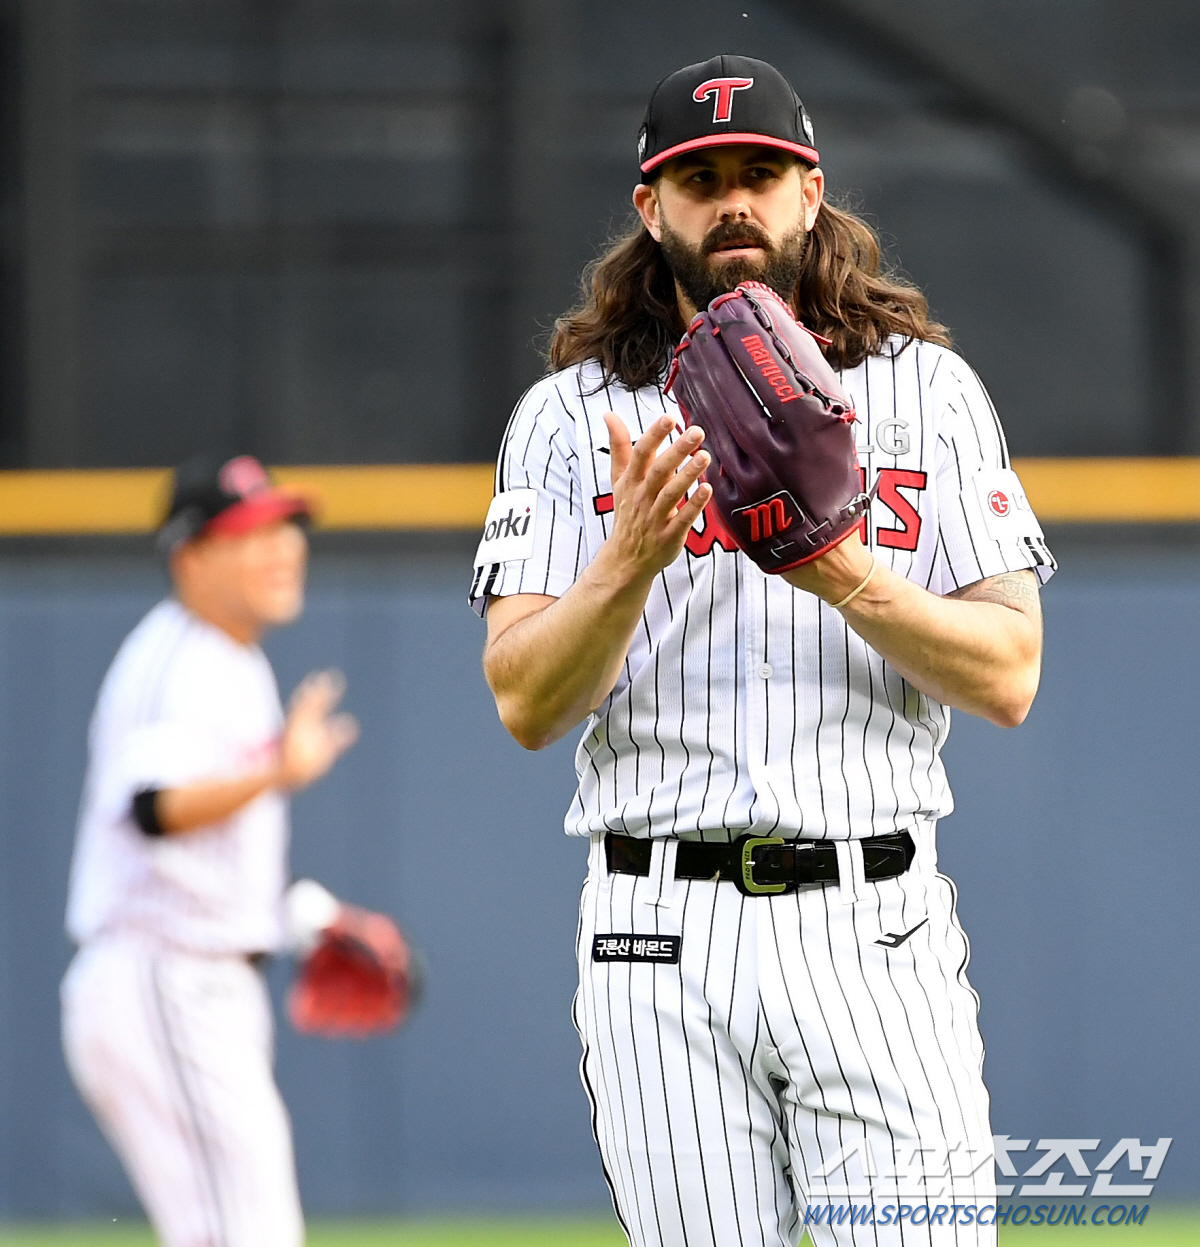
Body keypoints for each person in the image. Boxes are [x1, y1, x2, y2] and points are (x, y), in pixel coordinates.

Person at [471, 54, 1055, 1247]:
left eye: (760, 174)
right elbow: (527, 700)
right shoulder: (569, 416)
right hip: (656, 937)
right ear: (651, 207)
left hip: (873, 922)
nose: (732, 200)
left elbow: (1008, 673)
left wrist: (841, 570)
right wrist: (625, 559)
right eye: (701, 179)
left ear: (810, 192)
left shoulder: (927, 392)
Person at [61, 454, 358, 1247]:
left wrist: (297, 919)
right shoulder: (178, 657)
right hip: (165, 977)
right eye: (252, 532)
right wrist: (279, 769)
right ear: (190, 555)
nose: (284, 548)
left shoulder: (228, 657)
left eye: (285, 527)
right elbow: (154, 807)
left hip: (193, 977)